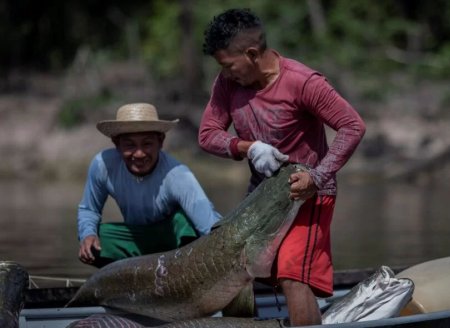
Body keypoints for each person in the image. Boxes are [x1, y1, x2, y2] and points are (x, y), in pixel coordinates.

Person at [199, 8, 366, 326]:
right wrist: (248, 147)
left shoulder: (303, 82)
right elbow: (207, 136)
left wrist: (317, 177)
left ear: (251, 53)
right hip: (260, 197)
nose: (226, 73)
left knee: (292, 273)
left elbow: (352, 126)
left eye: (229, 65)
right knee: (234, 271)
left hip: (306, 195)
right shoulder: (226, 84)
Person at [78, 103, 221, 267]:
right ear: (116, 144)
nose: (139, 154)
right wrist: (88, 234)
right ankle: (129, 277)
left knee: (184, 222)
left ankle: (181, 274)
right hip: (135, 239)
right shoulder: (103, 164)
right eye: (130, 145)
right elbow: (89, 210)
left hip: (173, 243)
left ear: (160, 142)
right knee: (95, 237)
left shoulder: (178, 175)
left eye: (147, 144)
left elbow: (209, 225)